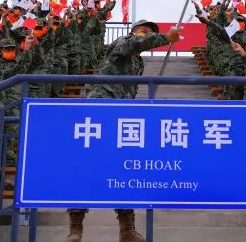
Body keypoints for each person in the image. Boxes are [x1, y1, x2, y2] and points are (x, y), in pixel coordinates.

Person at [64, 20, 181, 242]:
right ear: (132, 31)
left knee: (124, 168)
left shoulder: (138, 62)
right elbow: (135, 43)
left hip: (121, 114)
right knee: (87, 164)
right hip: (102, 104)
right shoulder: (123, 42)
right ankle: (75, 227)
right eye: (143, 29)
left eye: (151, 31)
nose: (147, 31)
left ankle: (127, 229)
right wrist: (166, 37)